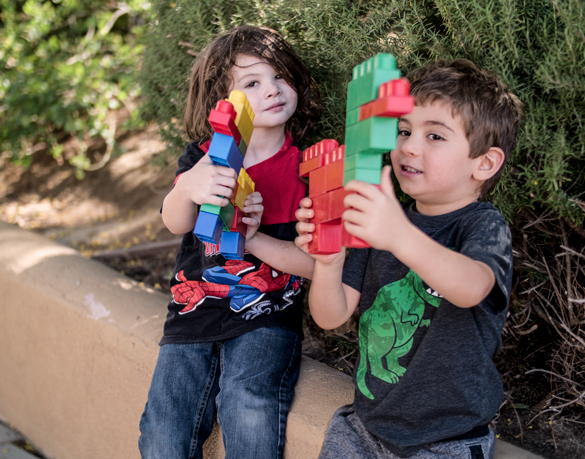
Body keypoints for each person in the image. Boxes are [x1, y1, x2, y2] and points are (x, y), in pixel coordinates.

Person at [295, 59, 523, 459]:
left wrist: (398, 234)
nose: (408, 146)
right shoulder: (380, 218)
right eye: (403, 131)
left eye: (435, 136)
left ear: (484, 163)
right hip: (364, 428)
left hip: (448, 440)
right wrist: (329, 264)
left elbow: (471, 287)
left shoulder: (481, 226)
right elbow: (330, 317)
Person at [138, 25, 318, 459]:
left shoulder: (306, 169)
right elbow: (174, 222)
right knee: (164, 429)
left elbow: (315, 264)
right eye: (252, 83)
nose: (272, 90)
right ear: (223, 103)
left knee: (246, 405)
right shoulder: (203, 157)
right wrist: (187, 188)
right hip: (193, 314)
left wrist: (252, 239)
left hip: (266, 317)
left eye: (280, 76)